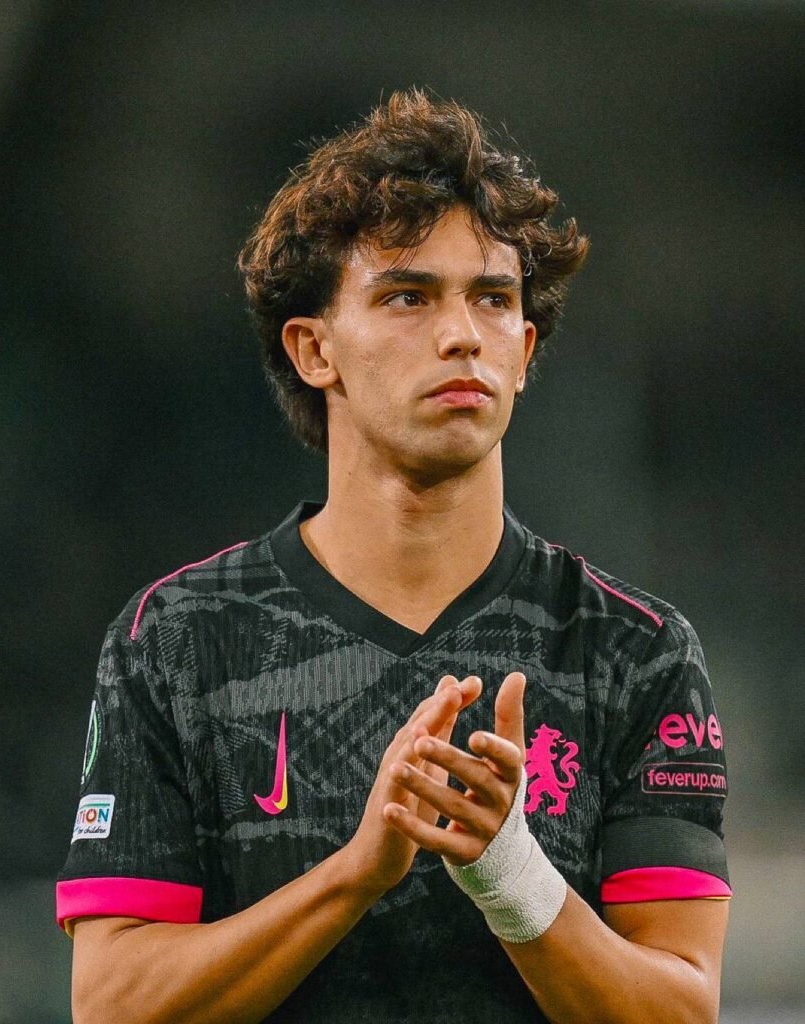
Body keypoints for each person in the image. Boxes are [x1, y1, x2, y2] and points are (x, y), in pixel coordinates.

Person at [57, 89, 731, 1024]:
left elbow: (681, 1010)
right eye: (407, 296)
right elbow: (112, 1005)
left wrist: (511, 875)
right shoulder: (174, 640)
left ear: (523, 350)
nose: (462, 334)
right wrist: (355, 874)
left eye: (492, 299)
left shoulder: (634, 651)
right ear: (313, 350)